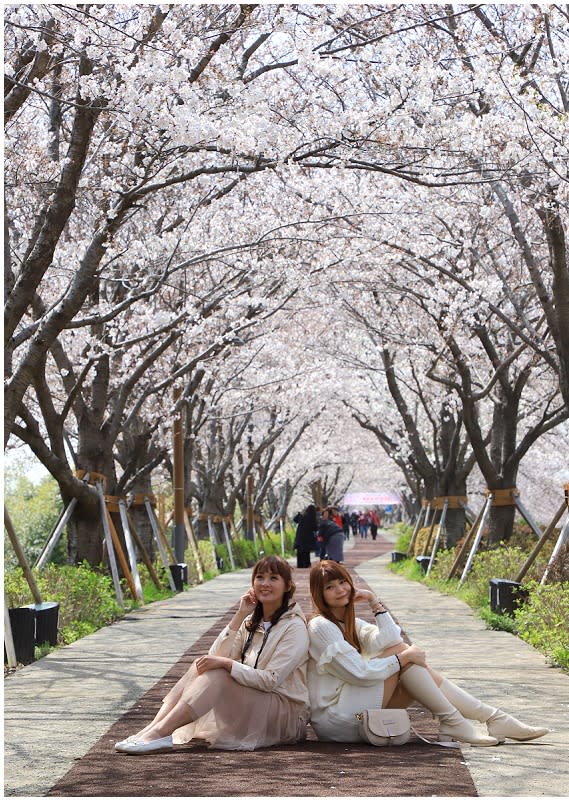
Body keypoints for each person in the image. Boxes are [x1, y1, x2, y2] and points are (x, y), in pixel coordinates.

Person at [307, 560, 549, 747]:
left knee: (405, 659)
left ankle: (484, 719)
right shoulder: (321, 626)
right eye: (330, 587)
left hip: (355, 710)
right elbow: (360, 673)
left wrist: (374, 602)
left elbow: (390, 639)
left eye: (342, 582)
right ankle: (474, 720)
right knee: (403, 656)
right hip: (336, 721)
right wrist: (403, 657)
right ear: (320, 594)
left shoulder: (352, 623)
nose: (339, 590)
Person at [115, 556, 310, 754]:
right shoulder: (251, 621)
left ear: (287, 586)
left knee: (221, 672)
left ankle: (160, 733)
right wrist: (239, 615)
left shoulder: (294, 627)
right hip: (254, 705)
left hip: (285, 717)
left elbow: (270, 681)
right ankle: (151, 730)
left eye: (273, 578)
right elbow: (214, 656)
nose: (265, 584)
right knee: (199, 665)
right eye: (260, 577)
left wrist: (227, 665)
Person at [293, 504, 318, 568]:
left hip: (300, 536)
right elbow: (315, 528)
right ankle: (306, 564)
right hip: (308, 537)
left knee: (300, 551)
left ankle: (300, 564)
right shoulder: (312, 517)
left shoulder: (302, 516)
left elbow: (295, 520)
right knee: (306, 551)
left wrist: (300, 513)